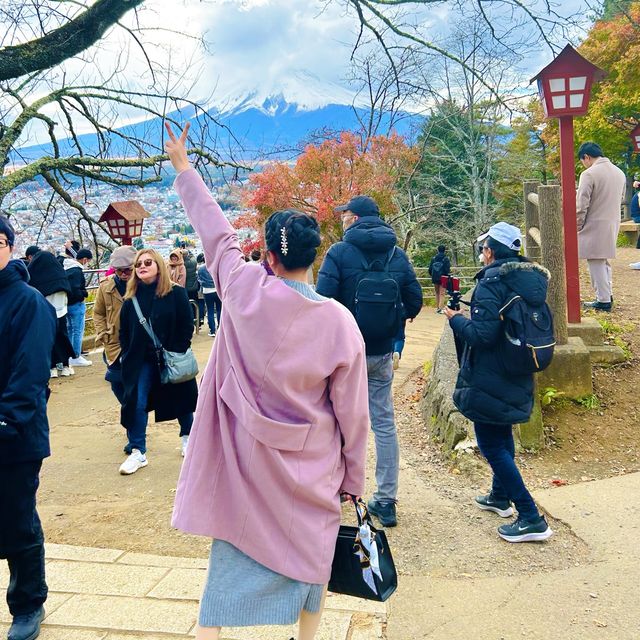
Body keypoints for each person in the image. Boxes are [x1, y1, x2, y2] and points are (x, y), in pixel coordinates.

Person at [166, 123, 369, 640]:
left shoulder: (241, 287)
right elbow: (353, 415)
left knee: (230, 555)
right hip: (310, 462)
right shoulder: (339, 322)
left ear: (270, 258)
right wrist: (353, 478)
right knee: (313, 553)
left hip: (241, 456)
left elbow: (215, 233)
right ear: (313, 257)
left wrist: (184, 168)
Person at [316, 194, 423, 527]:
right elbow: (415, 301)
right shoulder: (397, 254)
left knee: (334, 419)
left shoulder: (339, 252)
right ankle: (387, 499)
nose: (341, 218)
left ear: (354, 218)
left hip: (344, 353)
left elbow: (322, 301)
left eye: (343, 213)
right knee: (383, 422)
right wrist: (392, 321)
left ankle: (334, 489)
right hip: (380, 352)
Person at [443, 222, 553, 543]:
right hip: (518, 369)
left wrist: (457, 320)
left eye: (483, 249)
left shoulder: (491, 282)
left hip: (491, 374)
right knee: (501, 435)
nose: (481, 254)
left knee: (491, 444)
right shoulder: (529, 279)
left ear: (490, 251)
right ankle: (499, 496)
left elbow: (482, 335)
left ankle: (530, 516)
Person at [0, 215, 56, 640]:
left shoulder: (29, 302)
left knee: (17, 519)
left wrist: (6, 421)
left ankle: (28, 603)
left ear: (8, 246)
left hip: (15, 435)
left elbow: (30, 374)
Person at [118, 249, 197, 472]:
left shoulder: (176, 293)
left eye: (148, 262)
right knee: (137, 402)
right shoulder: (130, 299)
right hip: (140, 360)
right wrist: (127, 354)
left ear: (158, 265)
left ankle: (188, 437)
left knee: (180, 397)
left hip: (171, 355)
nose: (142, 266)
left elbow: (186, 324)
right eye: (138, 264)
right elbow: (124, 331)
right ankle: (137, 450)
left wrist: (178, 349)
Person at [576, 142, 626, 311]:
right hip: (612, 221)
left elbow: (581, 204)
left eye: (583, 161)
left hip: (594, 222)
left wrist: (577, 225)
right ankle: (607, 294)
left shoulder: (589, 174)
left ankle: (603, 299)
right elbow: (621, 198)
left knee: (595, 260)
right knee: (603, 260)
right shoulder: (619, 173)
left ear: (587, 157)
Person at [93, 245, 137, 407]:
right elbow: (98, 312)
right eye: (119, 270)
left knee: (140, 387)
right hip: (115, 342)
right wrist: (103, 332)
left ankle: (135, 423)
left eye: (127, 270)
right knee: (116, 383)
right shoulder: (106, 287)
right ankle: (131, 413)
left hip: (140, 342)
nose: (123, 274)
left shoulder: (144, 284)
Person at [27, 249, 75, 378]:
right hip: (61, 307)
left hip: (45, 311)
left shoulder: (36, 274)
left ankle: (53, 366)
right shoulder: (58, 272)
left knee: (48, 338)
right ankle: (66, 365)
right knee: (62, 336)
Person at [64, 247, 93, 367]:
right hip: (76, 304)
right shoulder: (77, 271)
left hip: (67, 304)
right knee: (77, 330)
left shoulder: (67, 268)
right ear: (85, 259)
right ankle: (75, 355)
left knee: (70, 330)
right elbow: (76, 289)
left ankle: (70, 355)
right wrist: (84, 294)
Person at [196, 253, 221, 337]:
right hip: (217, 289)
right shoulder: (215, 266)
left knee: (210, 310)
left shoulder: (200, 268)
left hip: (207, 291)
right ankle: (220, 328)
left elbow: (199, 279)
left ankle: (212, 330)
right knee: (219, 309)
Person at [428, 245, 451, 313]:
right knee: (442, 293)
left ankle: (437, 307)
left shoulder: (434, 258)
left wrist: (433, 275)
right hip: (443, 277)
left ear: (437, 250)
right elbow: (447, 269)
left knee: (437, 292)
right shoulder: (446, 259)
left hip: (435, 278)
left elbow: (430, 269)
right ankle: (440, 309)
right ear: (444, 250)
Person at [183, 247, 202, 322]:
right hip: (194, 286)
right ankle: (196, 319)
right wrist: (187, 250)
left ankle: (189, 318)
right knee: (195, 303)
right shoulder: (194, 262)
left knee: (187, 304)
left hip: (185, 287)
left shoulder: (182, 264)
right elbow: (193, 256)